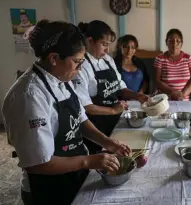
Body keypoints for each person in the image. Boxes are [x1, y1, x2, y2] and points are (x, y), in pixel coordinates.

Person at [1, 20, 131, 205]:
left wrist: (106, 141)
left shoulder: (62, 79)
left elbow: (80, 119)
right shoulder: (29, 96)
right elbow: (39, 163)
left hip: (73, 174)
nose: (79, 71)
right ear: (54, 58)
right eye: (77, 62)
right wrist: (89, 161)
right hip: (48, 187)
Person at [75, 20, 149, 154]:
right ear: (90, 41)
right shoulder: (82, 66)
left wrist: (138, 96)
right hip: (97, 127)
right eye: (104, 44)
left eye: (109, 45)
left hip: (116, 121)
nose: (107, 50)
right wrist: (113, 110)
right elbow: (87, 107)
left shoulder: (107, 60)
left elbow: (120, 87)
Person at [154, 28, 191, 100]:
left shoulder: (188, 58)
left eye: (178, 41)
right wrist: (173, 92)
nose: (174, 44)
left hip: (184, 100)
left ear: (181, 43)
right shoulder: (160, 59)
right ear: (166, 42)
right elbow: (157, 81)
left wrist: (182, 94)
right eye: (171, 41)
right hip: (165, 100)